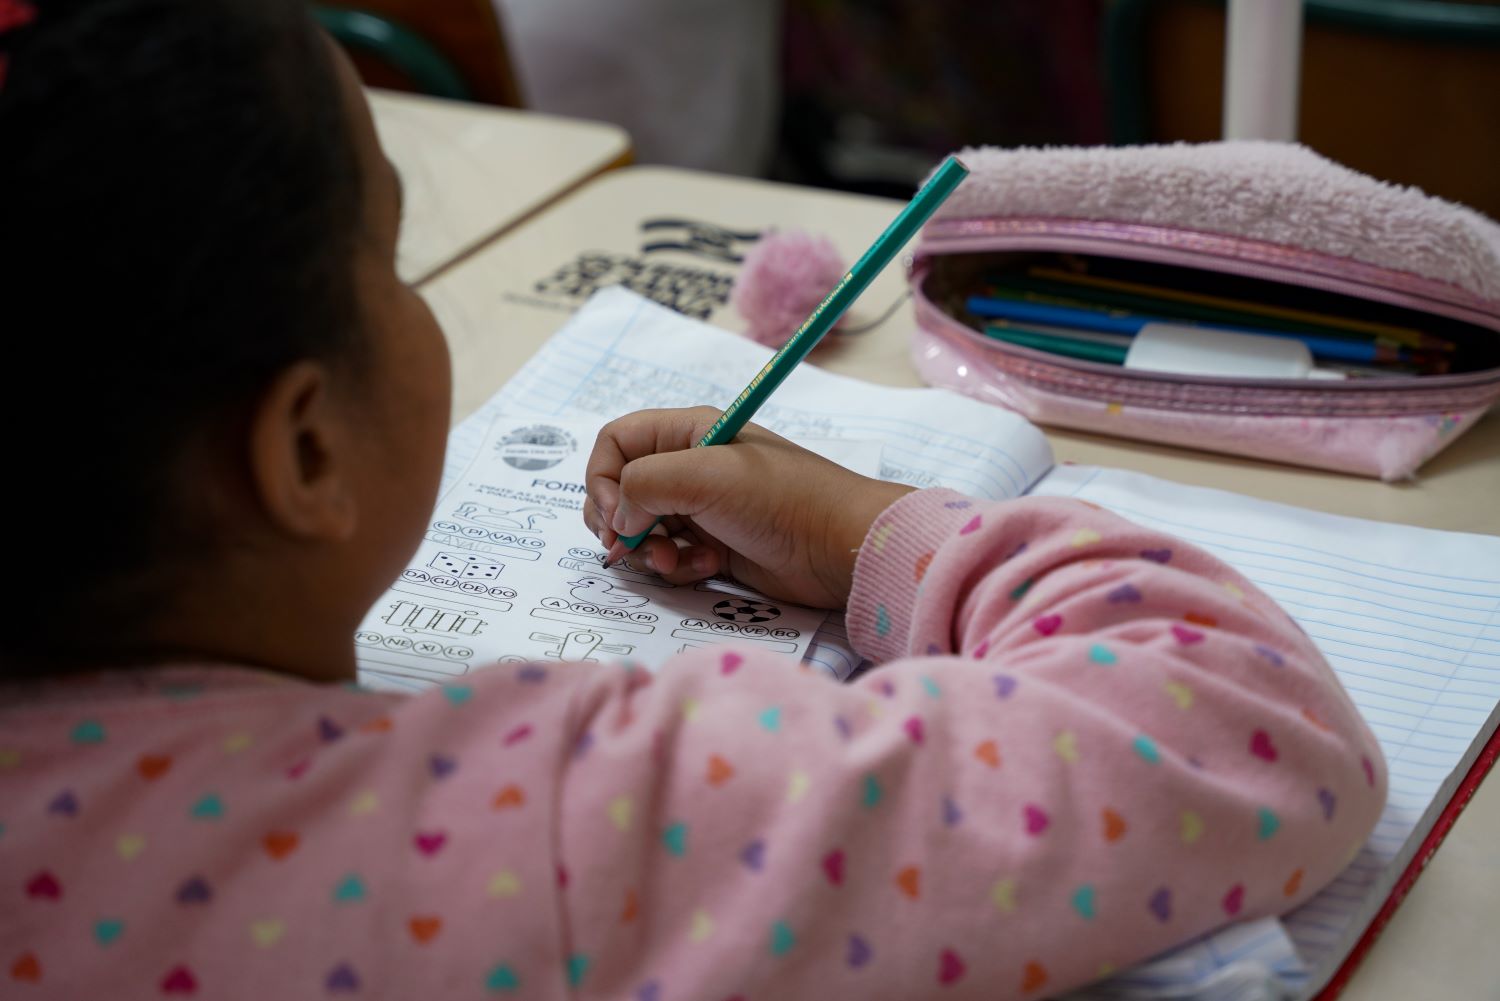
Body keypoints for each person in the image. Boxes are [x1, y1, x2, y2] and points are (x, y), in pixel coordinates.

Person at [0, 2, 1385, 998]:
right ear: (300, 453)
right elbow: (1250, 725)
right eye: (393, 256)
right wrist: (871, 533)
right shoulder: (531, 835)